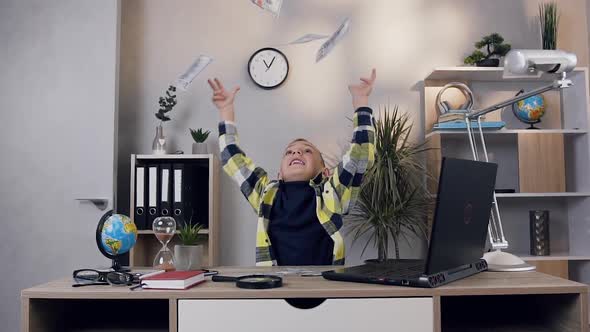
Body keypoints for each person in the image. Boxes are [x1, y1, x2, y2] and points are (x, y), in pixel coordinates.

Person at [208, 69, 376, 266]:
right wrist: (226, 111)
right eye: (289, 152)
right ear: (280, 173)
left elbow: (361, 153)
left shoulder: (333, 191)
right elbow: (232, 158)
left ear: (325, 172)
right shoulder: (265, 193)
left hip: (324, 284)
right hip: (276, 285)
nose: (296, 153)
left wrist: (361, 102)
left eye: (307, 151)